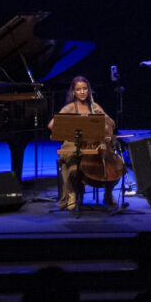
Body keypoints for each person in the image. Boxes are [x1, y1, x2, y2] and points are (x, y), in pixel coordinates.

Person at [49, 76, 118, 210]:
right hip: (74, 145)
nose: (82, 92)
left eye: (85, 88)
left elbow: (112, 124)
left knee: (113, 167)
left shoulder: (95, 106)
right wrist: (67, 134)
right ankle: (71, 195)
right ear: (73, 92)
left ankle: (108, 194)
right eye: (78, 89)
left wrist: (104, 116)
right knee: (74, 168)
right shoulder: (69, 108)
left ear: (89, 90)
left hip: (93, 147)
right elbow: (52, 125)